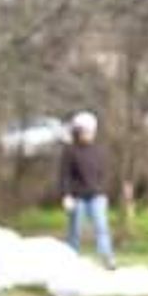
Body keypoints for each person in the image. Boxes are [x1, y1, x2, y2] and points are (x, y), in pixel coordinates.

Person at [59, 111, 115, 268]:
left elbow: (103, 173)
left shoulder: (99, 150)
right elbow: (64, 176)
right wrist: (66, 195)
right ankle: (71, 261)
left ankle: (107, 258)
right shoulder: (70, 151)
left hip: (97, 196)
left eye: (89, 131)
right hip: (77, 198)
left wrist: (103, 191)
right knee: (74, 231)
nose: (87, 134)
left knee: (101, 228)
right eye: (84, 131)